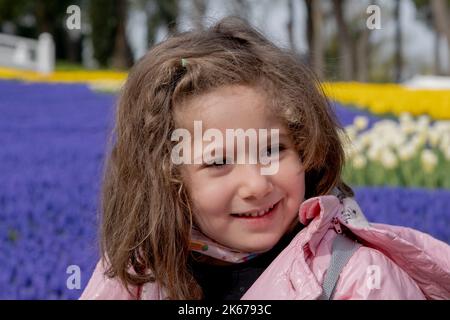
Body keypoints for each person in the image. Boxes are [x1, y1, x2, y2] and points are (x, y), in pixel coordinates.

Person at [80, 16, 450, 300]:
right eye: (218, 161)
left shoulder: (357, 278)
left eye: (273, 150)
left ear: (306, 147)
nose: (257, 184)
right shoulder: (134, 278)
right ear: (168, 178)